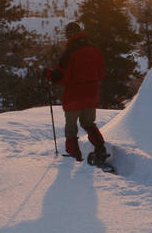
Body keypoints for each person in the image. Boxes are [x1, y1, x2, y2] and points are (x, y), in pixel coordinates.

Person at [45, 21, 108, 162]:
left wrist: (48, 74)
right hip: (91, 94)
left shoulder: (69, 53)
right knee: (89, 123)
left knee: (71, 129)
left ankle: (74, 157)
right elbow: (101, 73)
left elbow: (60, 77)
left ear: (68, 35)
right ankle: (100, 149)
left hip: (73, 96)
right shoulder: (95, 51)